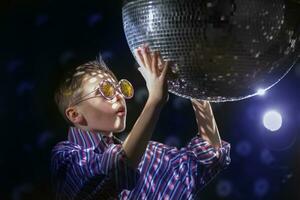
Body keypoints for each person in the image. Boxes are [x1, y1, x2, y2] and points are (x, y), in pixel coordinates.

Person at [51, 45, 231, 200]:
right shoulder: (66, 157)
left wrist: (192, 88)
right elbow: (116, 167)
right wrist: (154, 101)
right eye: (105, 90)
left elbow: (207, 159)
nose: (119, 96)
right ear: (75, 114)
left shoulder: (149, 154)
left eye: (120, 88)